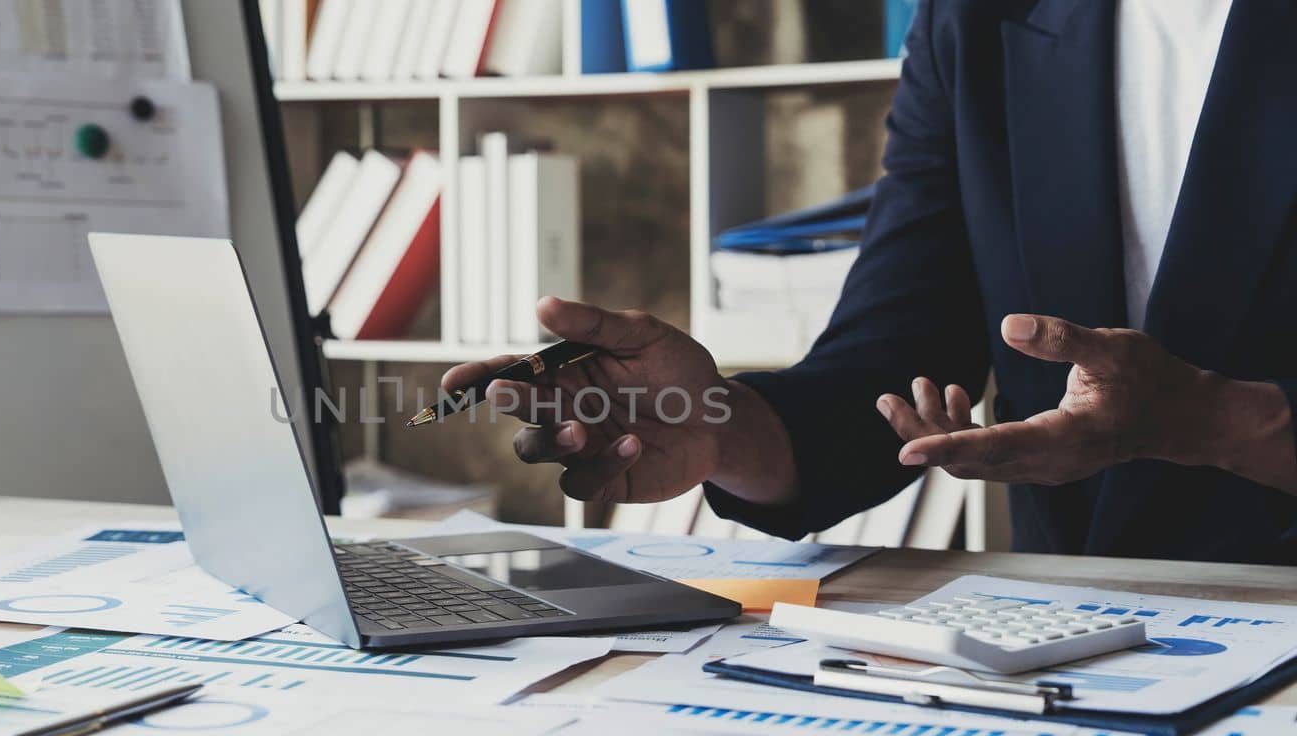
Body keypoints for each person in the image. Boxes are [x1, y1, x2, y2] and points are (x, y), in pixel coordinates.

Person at [442, 0, 1297, 565]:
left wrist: (1216, 422)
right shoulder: (975, 15)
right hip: (1089, 647)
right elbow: (900, 346)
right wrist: (727, 427)